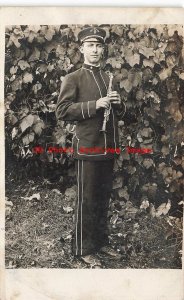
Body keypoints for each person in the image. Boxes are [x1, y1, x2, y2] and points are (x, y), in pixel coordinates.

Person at [56, 26, 125, 266]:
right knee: (87, 199)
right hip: (87, 147)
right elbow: (62, 111)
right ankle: (83, 249)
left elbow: (121, 114)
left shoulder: (108, 78)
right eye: (90, 46)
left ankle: (101, 243)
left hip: (107, 148)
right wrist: (94, 104)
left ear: (102, 49)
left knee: (103, 197)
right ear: (82, 48)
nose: (95, 50)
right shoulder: (73, 78)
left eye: (98, 46)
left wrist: (117, 104)